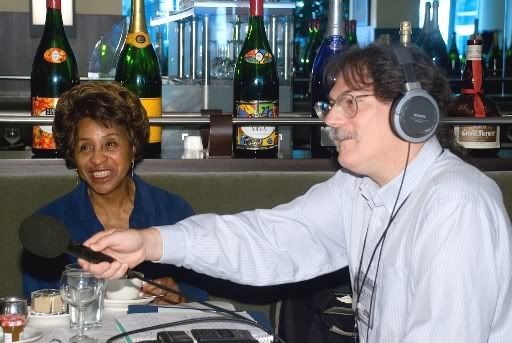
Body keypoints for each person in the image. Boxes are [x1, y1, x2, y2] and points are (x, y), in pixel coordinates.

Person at [80, 45, 512, 342]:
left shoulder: (457, 206)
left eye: (350, 103)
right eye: (331, 106)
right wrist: (152, 242)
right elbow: (270, 238)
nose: (332, 121)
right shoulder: (358, 189)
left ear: (410, 111)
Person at [22, 81, 207, 304]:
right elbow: (38, 305)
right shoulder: (49, 225)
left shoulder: (174, 212)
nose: (97, 159)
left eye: (110, 144)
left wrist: (178, 294)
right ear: (73, 155)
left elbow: (200, 295)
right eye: (85, 147)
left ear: (134, 147)